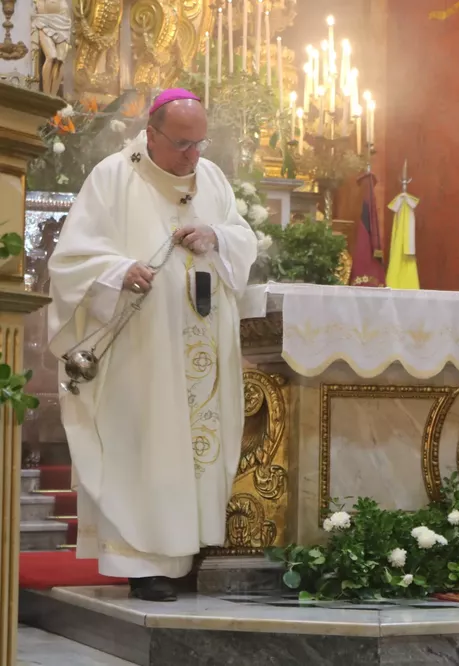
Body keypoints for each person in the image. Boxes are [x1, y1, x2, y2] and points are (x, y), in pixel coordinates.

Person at [47, 89, 258, 601]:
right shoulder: (114, 176)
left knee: (193, 446)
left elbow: (240, 235)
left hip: (201, 345)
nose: (193, 155)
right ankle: (139, 563)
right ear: (152, 132)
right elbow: (71, 258)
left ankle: (185, 553)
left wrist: (217, 237)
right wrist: (120, 271)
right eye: (182, 143)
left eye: (200, 142)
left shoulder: (211, 178)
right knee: (144, 446)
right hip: (141, 352)